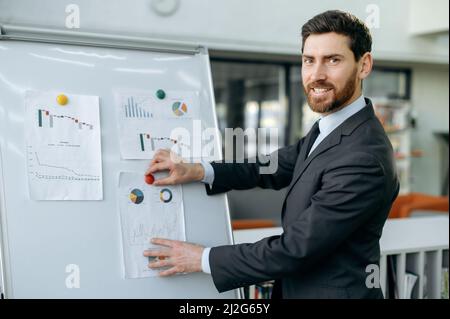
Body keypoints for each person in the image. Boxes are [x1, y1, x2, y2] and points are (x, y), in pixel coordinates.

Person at [143, 10, 399, 299]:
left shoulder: (364, 155)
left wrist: (202, 259)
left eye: (333, 60)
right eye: (308, 60)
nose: (317, 75)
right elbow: (269, 166)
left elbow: (295, 249)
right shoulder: (330, 129)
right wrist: (199, 170)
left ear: (364, 65)